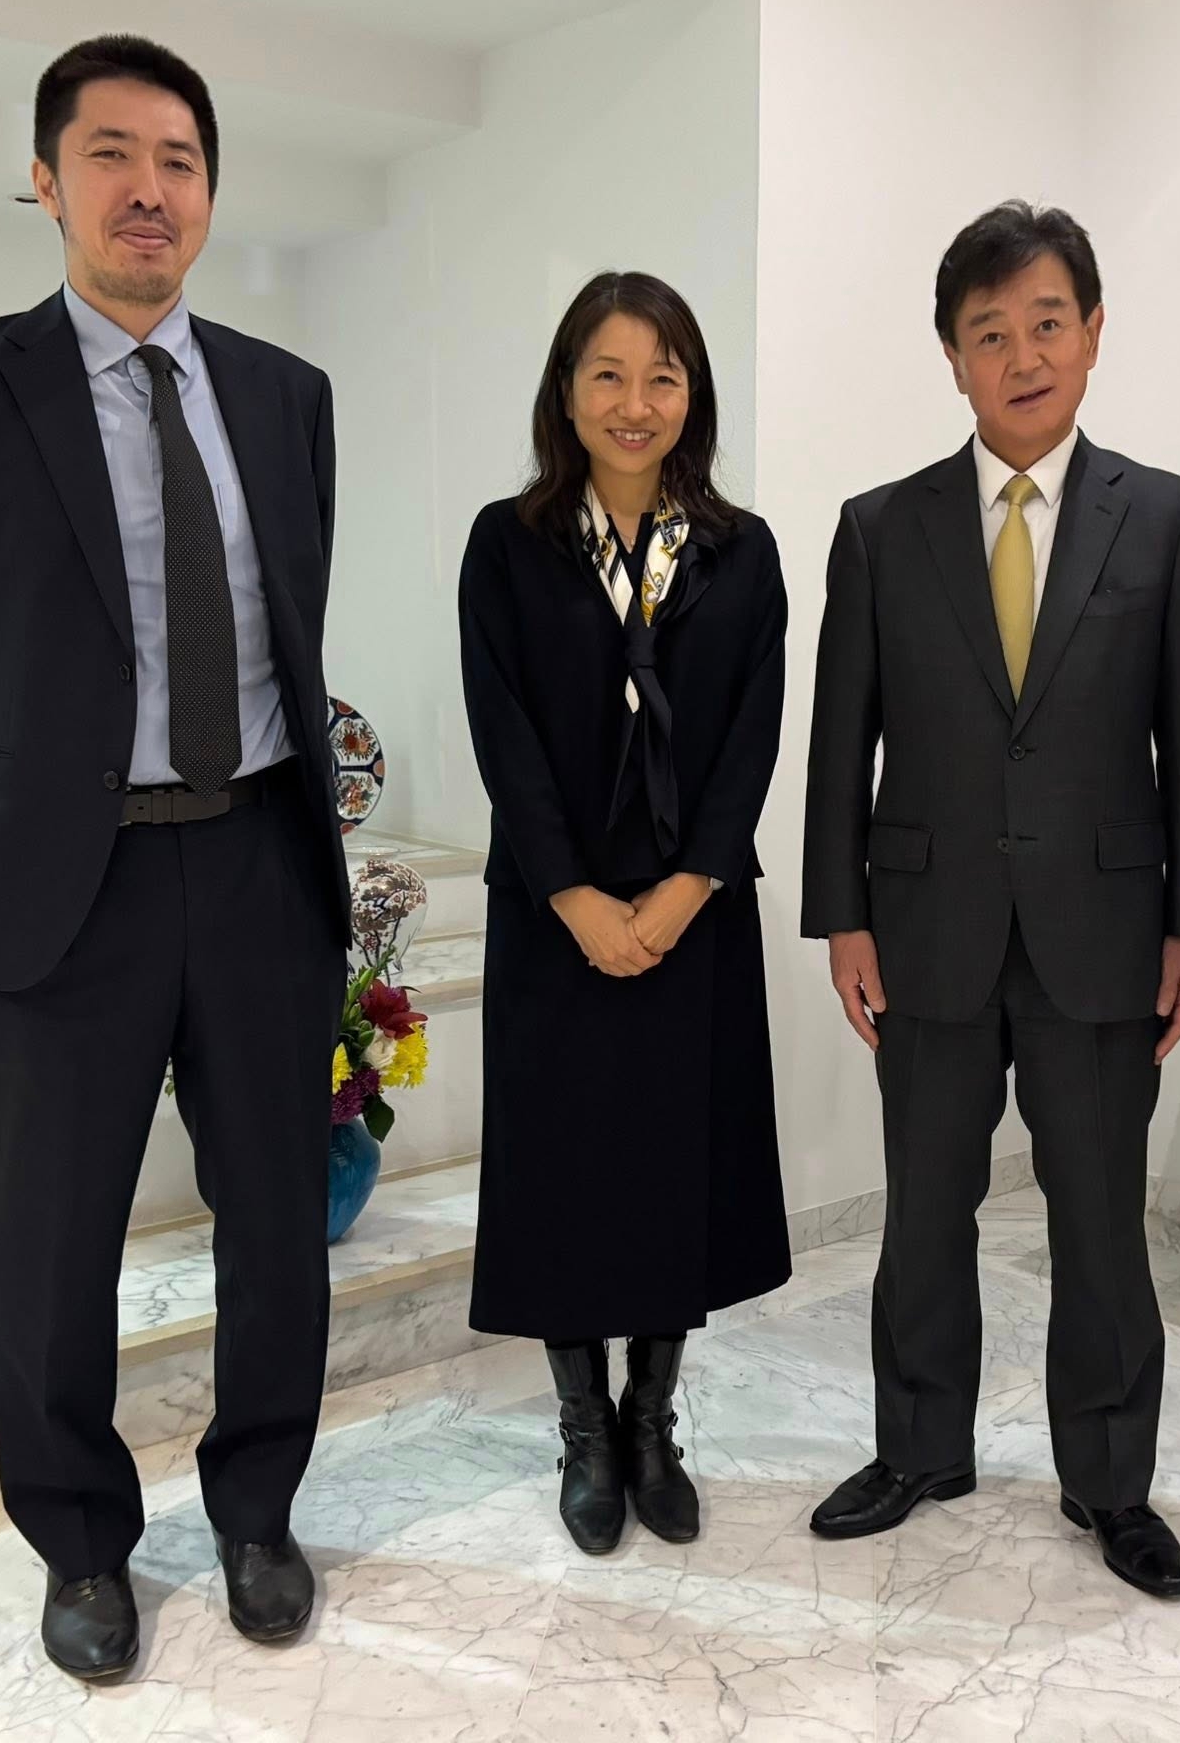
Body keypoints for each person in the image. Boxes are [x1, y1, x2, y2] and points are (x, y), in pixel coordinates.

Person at [0, 35, 350, 1677]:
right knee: (54, 1241)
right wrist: (17, 823)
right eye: (112, 155)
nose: (150, 189)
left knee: (277, 1221)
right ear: (47, 179)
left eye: (180, 161)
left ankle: (259, 1507)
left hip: (261, 866)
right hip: (62, 890)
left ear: (211, 191)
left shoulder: (285, 397)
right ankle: (79, 1541)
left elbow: (292, 622)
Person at [801, 202, 1180, 1599]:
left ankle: (1109, 1481)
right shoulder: (880, 528)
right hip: (922, 928)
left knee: (1098, 1220)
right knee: (923, 1209)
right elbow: (840, 737)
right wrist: (841, 914)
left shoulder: (1166, 520)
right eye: (989, 332)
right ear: (952, 356)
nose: (1022, 355)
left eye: (1048, 322)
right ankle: (919, 1447)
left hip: (1102, 936)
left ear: (1092, 334)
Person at [458, 272, 791, 1556]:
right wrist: (575, 896)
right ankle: (583, 1427)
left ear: (691, 393)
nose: (633, 401)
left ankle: (652, 1420)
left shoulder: (739, 550)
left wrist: (686, 888)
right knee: (563, 1171)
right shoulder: (509, 543)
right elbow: (502, 731)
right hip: (554, 916)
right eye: (606, 373)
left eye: (661, 375)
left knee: (672, 1170)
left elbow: (752, 733)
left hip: (691, 913)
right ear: (566, 391)